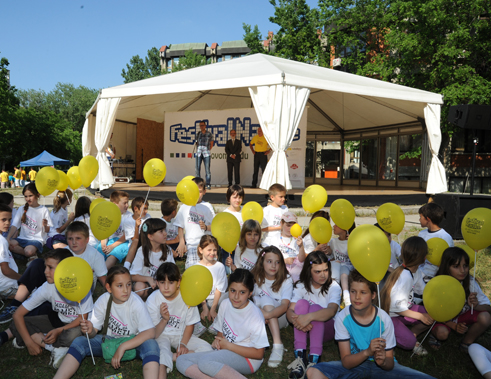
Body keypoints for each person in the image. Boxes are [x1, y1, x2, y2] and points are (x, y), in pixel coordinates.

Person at [306, 270, 436, 379]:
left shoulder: (384, 319)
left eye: (363, 292)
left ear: (373, 295)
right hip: (355, 365)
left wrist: (383, 362)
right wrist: (367, 352)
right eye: (353, 291)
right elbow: (346, 362)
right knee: (313, 372)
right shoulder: (342, 318)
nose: (357, 297)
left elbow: (390, 363)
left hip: (383, 370)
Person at [53, 266, 160, 379]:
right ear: (109, 288)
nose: (125, 290)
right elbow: (93, 332)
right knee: (80, 341)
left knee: (151, 345)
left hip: (132, 342)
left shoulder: (136, 303)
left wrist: (123, 347)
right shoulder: (103, 300)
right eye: (119, 285)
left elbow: (150, 332)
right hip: (108, 341)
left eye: (128, 284)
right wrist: (89, 330)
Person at [0, 249, 93, 369]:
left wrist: (58, 331)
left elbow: (82, 319)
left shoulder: (80, 286)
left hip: (77, 325)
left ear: (65, 269)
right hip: (57, 320)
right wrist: (29, 344)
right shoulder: (48, 286)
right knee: (17, 323)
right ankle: (53, 347)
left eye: (50, 267)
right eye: (45, 267)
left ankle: (38, 338)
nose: (45, 272)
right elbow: (18, 315)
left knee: (75, 335)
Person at [176, 269, 269, 378]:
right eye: (233, 290)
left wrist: (229, 346)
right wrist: (218, 341)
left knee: (205, 362)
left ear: (250, 293)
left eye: (242, 292)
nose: (236, 296)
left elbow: (259, 354)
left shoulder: (255, 315)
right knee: (181, 360)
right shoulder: (225, 304)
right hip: (225, 351)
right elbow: (220, 333)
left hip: (248, 360)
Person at [146, 263, 212, 378]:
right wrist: (164, 320)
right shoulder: (152, 300)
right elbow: (154, 333)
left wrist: (183, 344)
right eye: (162, 283)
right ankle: (169, 357)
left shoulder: (187, 297)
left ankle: (173, 356)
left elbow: (189, 325)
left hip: (181, 334)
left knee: (208, 349)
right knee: (162, 354)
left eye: (171, 283)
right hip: (161, 335)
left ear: (179, 282)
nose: (166, 287)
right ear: (157, 283)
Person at [286, 251, 341, 379]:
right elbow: (290, 311)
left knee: (316, 308)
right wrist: (298, 322)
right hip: (303, 328)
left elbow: (332, 310)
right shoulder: (301, 285)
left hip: (327, 328)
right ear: (308, 271)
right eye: (317, 271)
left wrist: (308, 317)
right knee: (301, 303)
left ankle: (314, 360)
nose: (323, 275)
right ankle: (300, 358)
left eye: (326, 270)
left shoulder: (334, 286)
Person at [430, 247, 491, 352]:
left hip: (461, 316)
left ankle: (466, 342)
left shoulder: (470, 282)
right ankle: (433, 334)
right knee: (442, 333)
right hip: (441, 319)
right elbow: (432, 312)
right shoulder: (438, 284)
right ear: (446, 267)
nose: (463, 271)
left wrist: (476, 306)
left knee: (485, 317)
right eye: (456, 266)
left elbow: (488, 307)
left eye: (465, 266)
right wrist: (453, 325)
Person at [380, 236, 433, 355]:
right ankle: (389, 339)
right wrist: (420, 316)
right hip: (390, 317)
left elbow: (424, 291)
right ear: (424, 258)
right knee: (409, 343)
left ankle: (411, 334)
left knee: (432, 314)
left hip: (404, 310)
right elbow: (395, 308)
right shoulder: (405, 277)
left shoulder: (416, 272)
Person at [251, 246, 293, 368]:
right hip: (262, 316)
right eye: (269, 261)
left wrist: (267, 315)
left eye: (277, 262)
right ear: (262, 262)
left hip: (280, 318)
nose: (273, 266)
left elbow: (285, 306)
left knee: (264, 298)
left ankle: (278, 345)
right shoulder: (255, 276)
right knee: (256, 299)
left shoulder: (286, 279)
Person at [7, 183, 53, 266]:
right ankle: (32, 256)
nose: (28, 199)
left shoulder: (44, 210)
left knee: (28, 251)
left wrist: (45, 225)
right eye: (25, 196)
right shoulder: (21, 209)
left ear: (37, 195)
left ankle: (28, 254)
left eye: (30, 196)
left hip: (36, 240)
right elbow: (14, 226)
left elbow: (47, 230)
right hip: (22, 238)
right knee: (9, 245)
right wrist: (8, 238)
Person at [130, 218, 176, 300]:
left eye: (165, 230)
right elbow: (132, 276)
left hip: (162, 286)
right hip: (147, 285)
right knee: (139, 287)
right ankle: (145, 303)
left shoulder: (168, 250)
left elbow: (173, 272)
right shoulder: (142, 251)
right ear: (150, 236)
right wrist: (148, 279)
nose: (165, 233)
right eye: (161, 231)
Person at [175, 177, 214, 269]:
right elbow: (180, 226)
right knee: (192, 270)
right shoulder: (184, 206)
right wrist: (181, 242)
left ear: (204, 192)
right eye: (194, 191)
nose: (197, 194)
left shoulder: (207, 206)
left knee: (209, 270)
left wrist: (206, 227)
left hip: (206, 244)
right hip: (192, 245)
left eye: (199, 191)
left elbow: (214, 226)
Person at [195, 235, 227, 336]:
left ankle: (218, 324)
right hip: (200, 299)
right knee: (186, 300)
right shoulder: (196, 267)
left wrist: (213, 308)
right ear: (201, 250)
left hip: (216, 299)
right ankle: (196, 324)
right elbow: (198, 289)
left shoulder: (219, 267)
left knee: (228, 300)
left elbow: (219, 289)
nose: (212, 253)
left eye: (215, 250)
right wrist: (204, 307)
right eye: (209, 250)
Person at [96, 190, 131, 270]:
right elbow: (105, 232)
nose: (127, 205)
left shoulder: (129, 217)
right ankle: (93, 269)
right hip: (109, 241)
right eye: (124, 203)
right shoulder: (108, 215)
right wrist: (103, 245)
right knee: (98, 251)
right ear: (115, 204)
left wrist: (112, 246)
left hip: (122, 242)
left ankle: (102, 272)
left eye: (127, 202)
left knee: (113, 255)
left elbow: (125, 236)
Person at [66, 222, 107, 288]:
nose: (74, 242)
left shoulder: (96, 256)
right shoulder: (62, 253)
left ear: (87, 240)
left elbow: (103, 278)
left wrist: (111, 290)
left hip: (85, 288)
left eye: (78, 238)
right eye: (70, 239)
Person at [270, 211, 306, 282]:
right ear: (281, 224)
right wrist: (285, 261)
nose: (291, 228)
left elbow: (301, 259)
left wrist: (301, 246)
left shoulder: (299, 239)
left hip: (297, 276)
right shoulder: (274, 238)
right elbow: (271, 258)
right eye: (288, 225)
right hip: (280, 275)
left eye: (293, 226)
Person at [326, 222, 356, 306]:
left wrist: (354, 242)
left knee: (343, 268)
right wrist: (328, 253)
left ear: (345, 228)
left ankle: (346, 296)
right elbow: (331, 257)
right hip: (337, 269)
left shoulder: (352, 241)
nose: (333, 226)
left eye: (337, 224)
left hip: (350, 268)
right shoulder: (333, 242)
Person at [122, 197, 151, 270]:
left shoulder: (148, 217)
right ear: (135, 209)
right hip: (135, 245)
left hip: (147, 242)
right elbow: (134, 239)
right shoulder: (128, 221)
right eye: (144, 208)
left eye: (147, 208)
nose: (146, 211)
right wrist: (136, 227)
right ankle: (126, 266)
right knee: (135, 241)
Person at [221, 184, 244, 272]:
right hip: (229, 249)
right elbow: (222, 232)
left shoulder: (244, 211)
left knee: (239, 270)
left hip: (242, 247)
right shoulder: (225, 213)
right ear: (228, 198)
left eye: (240, 197)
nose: (237, 200)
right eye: (235, 197)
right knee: (228, 271)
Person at [0, 204, 19, 300]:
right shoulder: (1, 241)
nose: (7, 223)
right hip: (8, 287)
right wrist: (22, 278)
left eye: (9, 219)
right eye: (3, 220)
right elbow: (6, 271)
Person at [195, 121, 214, 189]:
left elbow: (212, 143)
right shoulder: (198, 133)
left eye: (202, 125)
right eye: (200, 125)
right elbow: (196, 143)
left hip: (206, 153)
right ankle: (198, 184)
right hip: (199, 153)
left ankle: (208, 184)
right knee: (197, 169)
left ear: (205, 126)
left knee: (207, 169)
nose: (201, 127)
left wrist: (208, 149)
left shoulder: (209, 134)